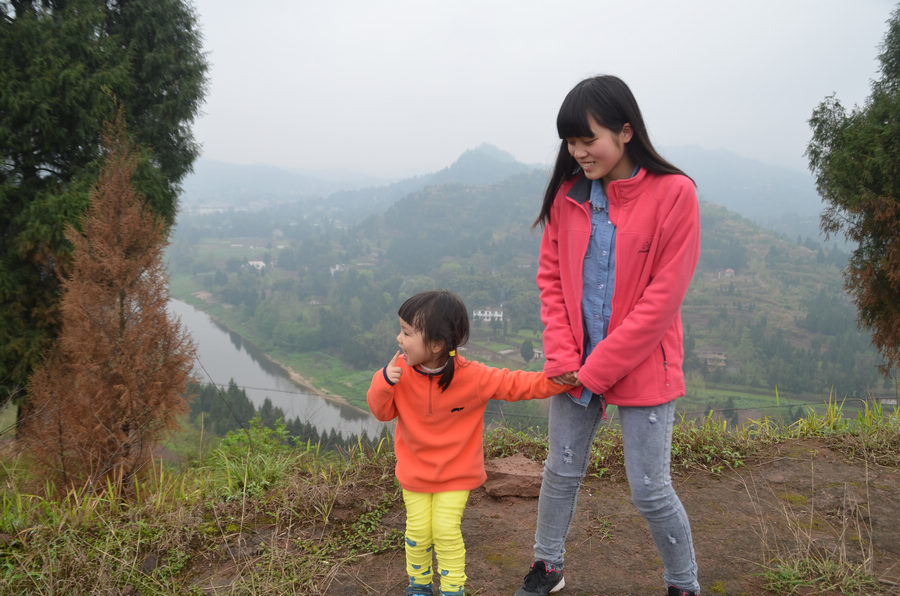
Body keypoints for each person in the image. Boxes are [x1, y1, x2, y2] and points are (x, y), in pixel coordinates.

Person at [514, 75, 702, 596]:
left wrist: (594, 370)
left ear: (625, 131)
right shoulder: (567, 196)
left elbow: (661, 303)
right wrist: (562, 355)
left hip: (642, 364)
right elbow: (552, 281)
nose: (577, 152)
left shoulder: (675, 194)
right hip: (574, 364)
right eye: (570, 142)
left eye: (587, 139)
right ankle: (547, 566)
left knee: (649, 489)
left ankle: (683, 584)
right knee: (559, 472)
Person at [367, 290, 574, 596]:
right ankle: (419, 587)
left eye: (407, 333)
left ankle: (453, 590)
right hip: (414, 473)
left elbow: (517, 383)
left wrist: (559, 380)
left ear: (437, 344)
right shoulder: (398, 373)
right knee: (418, 532)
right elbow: (381, 412)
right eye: (401, 330)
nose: (399, 339)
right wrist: (383, 381)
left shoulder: (472, 377)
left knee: (445, 530)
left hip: (456, 475)